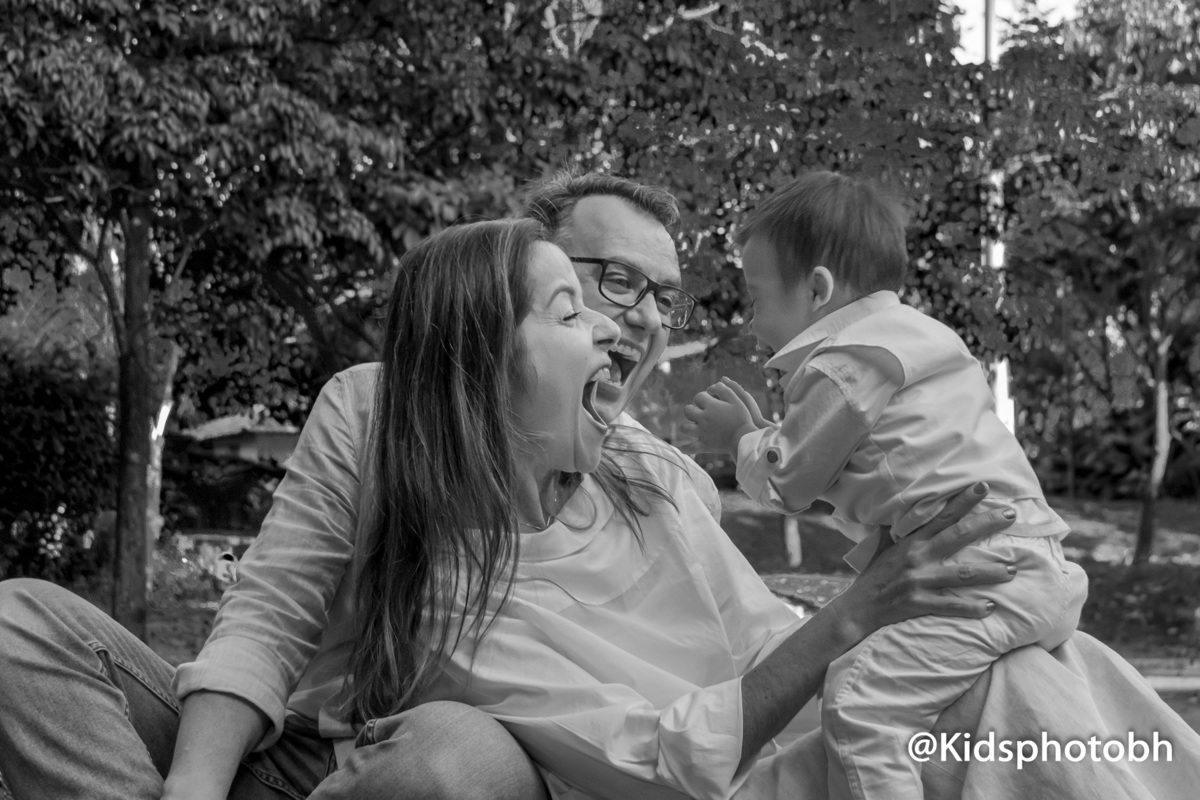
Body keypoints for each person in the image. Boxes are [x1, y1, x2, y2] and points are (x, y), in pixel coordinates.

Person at [0, 206, 1012, 800]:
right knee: (19, 622)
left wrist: (894, 619)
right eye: (606, 285)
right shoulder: (384, 414)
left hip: (443, 764)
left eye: (664, 296)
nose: (641, 319)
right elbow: (268, 612)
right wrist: (193, 783)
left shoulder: (655, 473)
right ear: (489, 307)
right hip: (303, 747)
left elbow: (752, 637)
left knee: (457, 752)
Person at [681, 170, 1088, 799]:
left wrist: (738, 437)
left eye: (757, 298)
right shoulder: (921, 339)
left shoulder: (844, 365)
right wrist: (771, 435)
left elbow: (788, 482)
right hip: (1033, 559)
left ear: (817, 290)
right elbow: (842, 455)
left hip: (976, 569)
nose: (751, 319)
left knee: (861, 704)